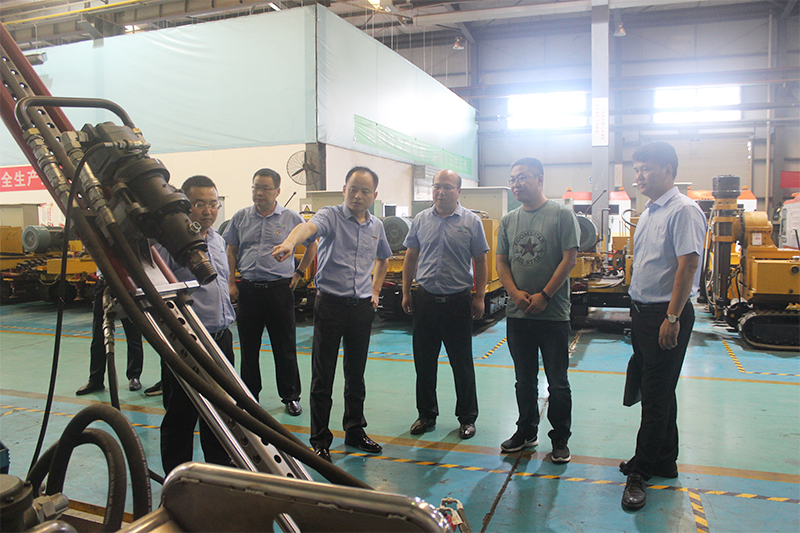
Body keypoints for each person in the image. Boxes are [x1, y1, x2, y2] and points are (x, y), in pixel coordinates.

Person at [272, 166, 391, 463]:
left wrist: (375, 291)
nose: (358, 195)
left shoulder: (376, 226)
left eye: (365, 191)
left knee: (356, 375)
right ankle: (320, 440)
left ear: (374, 195)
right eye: (353, 189)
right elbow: (307, 229)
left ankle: (355, 430)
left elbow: (383, 260)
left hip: (362, 308)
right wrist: (290, 242)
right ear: (344, 190)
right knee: (323, 375)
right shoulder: (330, 216)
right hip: (330, 305)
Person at [620, 142, 705, 511]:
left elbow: (688, 265)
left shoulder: (683, 210)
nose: (638, 176)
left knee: (654, 397)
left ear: (668, 170)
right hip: (644, 313)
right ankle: (665, 460)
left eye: (646, 169)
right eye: (636, 169)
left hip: (665, 314)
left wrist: (672, 317)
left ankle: (641, 472)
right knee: (659, 389)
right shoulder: (650, 211)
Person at [496, 157, 580, 463]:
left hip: (552, 314)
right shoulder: (508, 220)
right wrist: (514, 294)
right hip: (518, 315)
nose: (516, 184)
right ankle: (526, 430)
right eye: (512, 179)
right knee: (524, 380)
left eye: (522, 177)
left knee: (558, 382)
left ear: (540, 179)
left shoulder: (562, 215)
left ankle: (560, 439)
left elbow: (569, 259)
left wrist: (544, 295)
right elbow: (501, 261)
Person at [155, 175, 237, 475]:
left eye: (213, 204)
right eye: (199, 204)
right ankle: (177, 477)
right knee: (181, 414)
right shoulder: (169, 243)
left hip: (221, 337)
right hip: (187, 341)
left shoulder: (217, 239)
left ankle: (219, 468)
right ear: (184, 205)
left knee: (221, 409)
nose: (208, 210)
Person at [401, 169, 489, 439]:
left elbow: (481, 261)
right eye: (437, 186)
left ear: (458, 191)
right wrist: (406, 292)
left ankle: (467, 417)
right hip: (425, 300)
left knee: (461, 364)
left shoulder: (471, 221)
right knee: (424, 363)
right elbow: (410, 257)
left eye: (448, 187)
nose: (441, 192)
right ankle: (426, 415)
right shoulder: (420, 220)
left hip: (457, 303)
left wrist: (479, 296)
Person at [223, 168, 317, 415]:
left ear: (277, 191)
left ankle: (290, 396)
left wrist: (299, 273)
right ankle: (249, 396)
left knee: (284, 347)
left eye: (265, 188)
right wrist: (231, 281)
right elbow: (231, 249)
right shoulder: (240, 217)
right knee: (248, 347)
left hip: (279, 291)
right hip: (248, 290)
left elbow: (312, 244)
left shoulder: (290, 218)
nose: (259, 193)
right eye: (256, 187)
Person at [76, 276, 145, 395]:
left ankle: (134, 376)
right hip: (103, 284)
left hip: (126, 283)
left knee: (133, 333)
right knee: (98, 335)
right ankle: (95, 380)